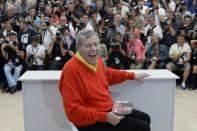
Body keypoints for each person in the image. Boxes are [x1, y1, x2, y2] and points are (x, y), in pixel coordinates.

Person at [59, 29, 151, 131]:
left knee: (146, 118)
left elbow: (108, 74)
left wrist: (132, 75)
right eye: (88, 45)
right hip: (93, 120)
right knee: (143, 127)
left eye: (95, 44)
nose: (93, 48)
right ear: (78, 48)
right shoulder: (70, 69)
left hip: (108, 107)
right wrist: (105, 117)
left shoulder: (97, 60)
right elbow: (73, 112)